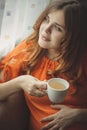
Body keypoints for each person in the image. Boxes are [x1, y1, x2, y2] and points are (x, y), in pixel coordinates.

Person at [0, 0, 87, 130]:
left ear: (73, 36)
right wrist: (21, 82)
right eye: (46, 19)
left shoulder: (82, 59)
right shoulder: (28, 50)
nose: (45, 29)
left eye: (58, 28)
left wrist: (79, 114)